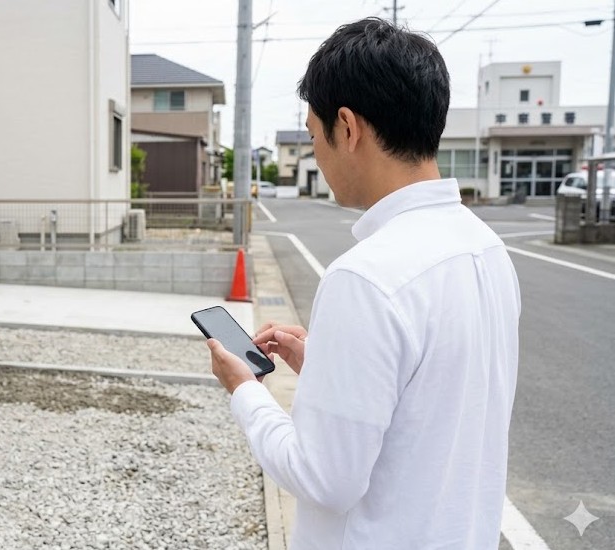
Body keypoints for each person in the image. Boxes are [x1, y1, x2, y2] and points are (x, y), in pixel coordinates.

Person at [207, 18, 520, 549]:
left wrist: (245, 392)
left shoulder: (366, 277)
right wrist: (327, 368)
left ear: (347, 128)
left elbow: (324, 480)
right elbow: (430, 399)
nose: (316, 156)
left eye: (312, 136)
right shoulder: (485, 248)